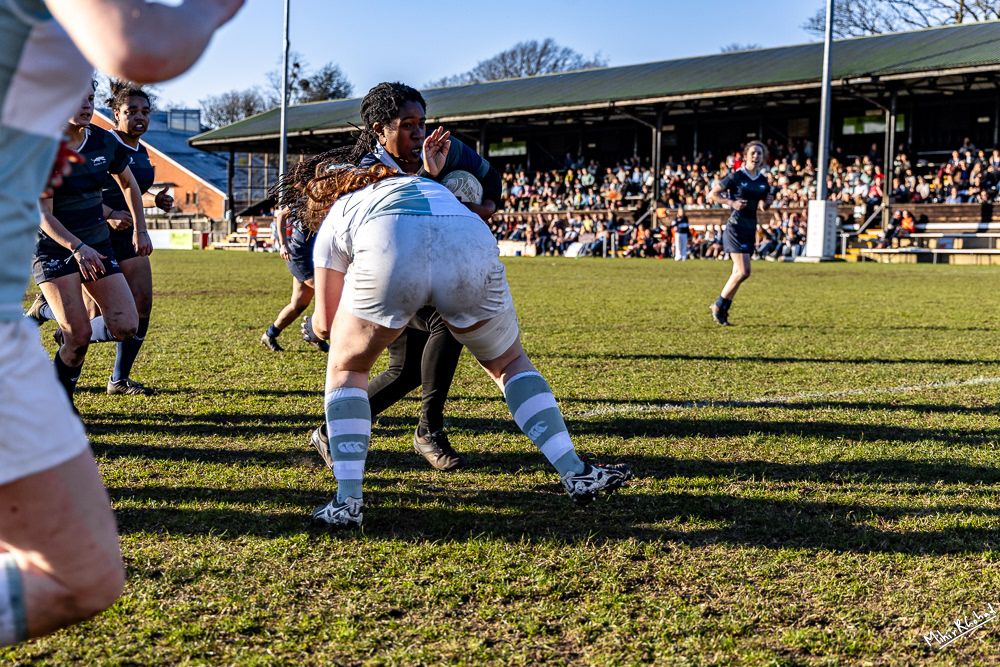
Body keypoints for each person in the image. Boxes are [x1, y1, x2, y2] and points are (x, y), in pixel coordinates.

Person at [0, 0, 242, 650]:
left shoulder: (90, 136)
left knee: (81, 572)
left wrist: (132, 219)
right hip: (56, 252)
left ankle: (58, 341)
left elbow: (133, 184)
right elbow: (142, 45)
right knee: (79, 573)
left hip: (79, 256)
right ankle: (56, 342)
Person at [288, 160, 633, 528]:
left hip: (389, 240)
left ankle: (347, 502)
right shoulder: (419, 185)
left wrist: (328, 328)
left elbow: (324, 324)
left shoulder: (340, 209)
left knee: (349, 369)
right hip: (468, 235)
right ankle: (575, 471)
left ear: (324, 196)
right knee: (510, 363)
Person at [302, 82, 502, 471]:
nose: (419, 133)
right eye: (408, 124)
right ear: (380, 130)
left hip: (428, 271)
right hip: (382, 280)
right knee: (450, 323)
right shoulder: (363, 173)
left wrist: (481, 206)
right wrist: (430, 176)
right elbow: (395, 221)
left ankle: (331, 431)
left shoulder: (436, 152)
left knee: (407, 369)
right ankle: (429, 431)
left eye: (422, 123)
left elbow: (490, 184)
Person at [27, 81, 170, 396]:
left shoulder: (105, 142)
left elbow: (129, 184)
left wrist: (141, 228)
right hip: (55, 251)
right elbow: (43, 215)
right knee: (77, 337)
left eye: (90, 98)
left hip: (99, 246)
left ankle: (113, 376)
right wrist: (78, 247)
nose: (87, 105)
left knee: (126, 325)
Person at [708, 140, 775, 325]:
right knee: (744, 271)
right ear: (745, 156)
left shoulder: (763, 181)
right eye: (753, 153)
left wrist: (768, 202)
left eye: (759, 154)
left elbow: (762, 207)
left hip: (750, 227)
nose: (756, 156)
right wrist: (731, 203)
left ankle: (722, 310)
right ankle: (719, 304)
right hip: (735, 227)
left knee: (738, 271)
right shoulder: (735, 176)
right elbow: (713, 194)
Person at [262, 205, 329, 353]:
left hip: (315, 256)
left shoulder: (336, 200)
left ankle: (270, 335)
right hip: (298, 255)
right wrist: (283, 244)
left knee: (298, 304)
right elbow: (281, 216)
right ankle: (317, 334)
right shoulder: (307, 199)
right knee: (326, 291)